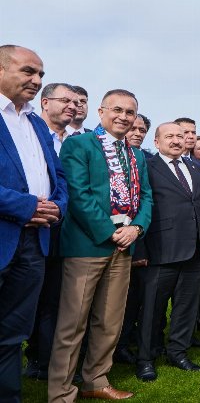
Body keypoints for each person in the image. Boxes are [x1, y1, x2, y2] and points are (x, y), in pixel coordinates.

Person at [48, 88, 152, 402]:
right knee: (73, 323)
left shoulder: (136, 154)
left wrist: (137, 228)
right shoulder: (79, 144)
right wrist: (110, 231)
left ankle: (96, 379)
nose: (123, 117)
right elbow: (78, 196)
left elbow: (146, 197)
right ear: (102, 112)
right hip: (87, 246)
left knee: (110, 320)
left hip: (124, 247)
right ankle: (61, 391)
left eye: (130, 112)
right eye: (117, 110)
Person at [0, 46, 68, 401]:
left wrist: (56, 206)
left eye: (41, 74)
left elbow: (57, 176)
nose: (37, 81)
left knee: (13, 331)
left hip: (34, 243)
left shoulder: (36, 123)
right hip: (4, 234)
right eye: (28, 71)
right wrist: (25, 205)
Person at [134, 122, 200, 381]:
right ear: (156, 142)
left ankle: (178, 352)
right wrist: (141, 249)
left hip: (194, 251)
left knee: (186, 307)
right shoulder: (146, 166)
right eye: (169, 136)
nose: (176, 141)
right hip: (160, 250)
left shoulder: (197, 167)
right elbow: (140, 207)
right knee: (152, 310)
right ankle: (146, 358)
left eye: (180, 136)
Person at [24, 83, 77, 381]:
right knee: (33, 298)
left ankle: (47, 358)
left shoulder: (74, 140)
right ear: (45, 103)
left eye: (75, 102)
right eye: (65, 101)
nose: (72, 106)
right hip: (31, 225)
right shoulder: (31, 134)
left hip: (64, 229)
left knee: (55, 298)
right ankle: (35, 356)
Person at [115, 113, 154, 366]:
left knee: (135, 300)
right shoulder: (111, 158)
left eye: (142, 129)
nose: (138, 132)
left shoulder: (148, 160)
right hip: (113, 238)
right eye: (134, 127)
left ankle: (125, 343)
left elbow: (149, 203)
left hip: (141, 238)